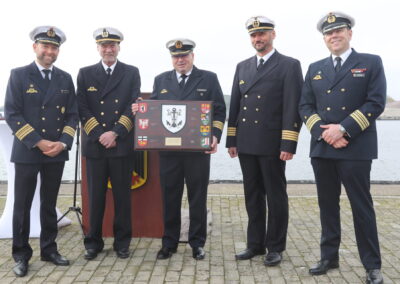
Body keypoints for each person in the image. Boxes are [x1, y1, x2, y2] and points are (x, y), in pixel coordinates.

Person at [299, 12, 385, 284]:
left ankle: (372, 265)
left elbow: (375, 103)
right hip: (324, 148)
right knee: (327, 205)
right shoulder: (315, 68)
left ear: (350, 33)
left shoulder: (370, 63)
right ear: (324, 38)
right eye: (328, 33)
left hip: (356, 147)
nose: (334, 36)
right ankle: (328, 257)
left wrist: (343, 129)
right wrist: (326, 134)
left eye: (339, 30)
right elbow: (305, 106)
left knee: (361, 207)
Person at [133, 38, 226, 260]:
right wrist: (140, 110)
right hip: (169, 154)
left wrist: (214, 136)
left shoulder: (209, 78)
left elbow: (220, 111)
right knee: (170, 197)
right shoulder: (161, 80)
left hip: (197, 152)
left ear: (193, 56)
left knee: (197, 198)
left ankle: (197, 243)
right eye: (176, 56)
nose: (180, 59)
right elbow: (153, 111)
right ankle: (169, 242)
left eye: (184, 55)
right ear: (171, 58)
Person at [226, 16, 303, 266]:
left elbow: (293, 106)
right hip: (247, 142)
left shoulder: (289, 65)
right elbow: (236, 104)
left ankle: (275, 246)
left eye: (262, 34)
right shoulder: (243, 66)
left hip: (272, 143)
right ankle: (255, 244)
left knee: (275, 195)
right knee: (252, 195)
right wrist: (232, 139)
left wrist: (288, 143)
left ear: (273, 35)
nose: (257, 39)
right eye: (253, 35)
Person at [4, 26, 78, 277]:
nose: (49, 51)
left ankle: (49, 249)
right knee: (22, 205)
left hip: (56, 151)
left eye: (54, 47)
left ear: (58, 51)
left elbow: (72, 115)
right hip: (28, 150)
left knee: (49, 203)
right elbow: (12, 113)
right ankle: (21, 254)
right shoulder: (19, 75)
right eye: (45, 46)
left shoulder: (65, 79)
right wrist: (39, 142)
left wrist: (63, 143)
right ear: (35, 47)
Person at [77, 27, 141, 260]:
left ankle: (122, 243)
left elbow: (133, 106)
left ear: (118, 47)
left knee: (123, 198)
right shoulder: (85, 73)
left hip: (121, 144)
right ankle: (93, 242)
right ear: (98, 48)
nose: (108, 49)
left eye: (112, 45)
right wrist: (100, 134)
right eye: (104, 45)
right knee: (95, 198)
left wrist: (114, 133)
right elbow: (82, 108)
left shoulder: (131, 72)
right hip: (95, 147)